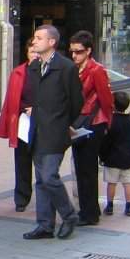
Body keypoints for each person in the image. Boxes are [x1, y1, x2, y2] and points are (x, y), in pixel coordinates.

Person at [23, 25, 83, 241]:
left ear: (51, 42)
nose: (34, 41)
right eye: (34, 37)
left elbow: (77, 101)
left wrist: (64, 122)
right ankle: (45, 224)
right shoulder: (34, 67)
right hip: (37, 129)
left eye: (39, 38)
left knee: (49, 176)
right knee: (40, 179)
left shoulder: (66, 67)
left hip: (55, 131)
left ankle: (68, 215)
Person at [69, 30, 114, 226]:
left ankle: (90, 213)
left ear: (88, 51)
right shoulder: (75, 69)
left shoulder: (96, 70)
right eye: (72, 51)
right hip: (80, 122)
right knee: (81, 168)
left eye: (78, 51)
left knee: (87, 169)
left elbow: (106, 99)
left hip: (93, 123)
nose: (74, 55)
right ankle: (87, 210)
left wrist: (107, 124)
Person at [0, 39, 39, 212]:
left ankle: (45, 198)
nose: (35, 55)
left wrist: (37, 109)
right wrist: (24, 110)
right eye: (32, 52)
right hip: (23, 122)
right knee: (22, 162)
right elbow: (12, 99)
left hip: (42, 122)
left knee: (42, 163)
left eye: (37, 52)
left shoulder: (48, 72)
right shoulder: (19, 73)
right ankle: (21, 198)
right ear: (27, 54)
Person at [101, 91, 130, 218]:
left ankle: (110, 205)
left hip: (112, 159)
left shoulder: (111, 122)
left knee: (111, 183)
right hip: (128, 159)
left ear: (113, 105)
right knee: (128, 183)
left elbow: (106, 141)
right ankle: (129, 206)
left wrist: (103, 156)